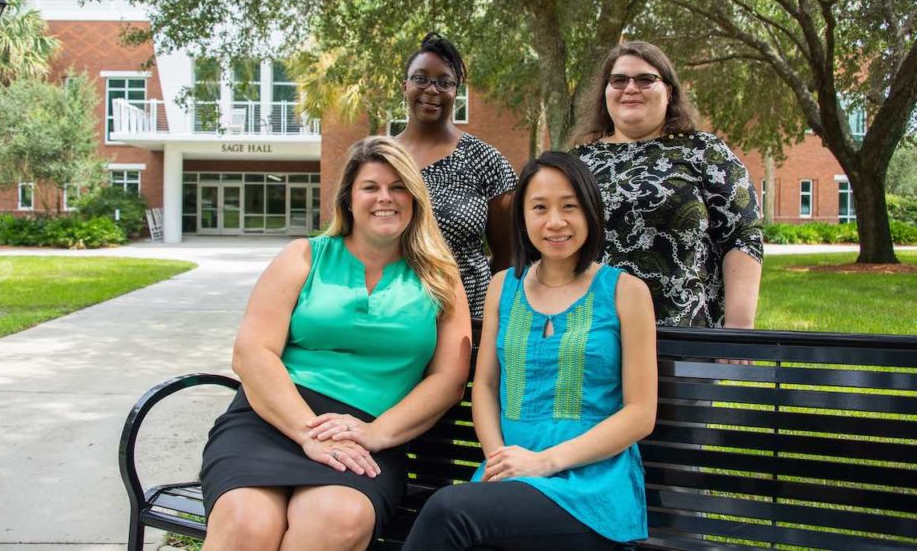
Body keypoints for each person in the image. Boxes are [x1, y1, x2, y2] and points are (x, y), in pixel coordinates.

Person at [199, 136, 471, 551]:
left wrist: (378, 433)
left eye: (399, 187)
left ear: (415, 199)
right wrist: (309, 433)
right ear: (348, 198)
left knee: (336, 520)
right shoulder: (304, 257)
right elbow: (252, 353)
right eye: (371, 187)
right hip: (272, 420)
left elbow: (449, 378)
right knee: (244, 525)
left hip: (368, 434)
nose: (386, 198)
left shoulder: (440, 277)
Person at [402, 151, 658, 550]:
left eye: (569, 207)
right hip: (509, 479)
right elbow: (485, 386)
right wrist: (499, 459)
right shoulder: (503, 287)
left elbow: (640, 414)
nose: (555, 222)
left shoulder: (626, 292)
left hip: (589, 490)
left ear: (590, 211)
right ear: (522, 217)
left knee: (447, 512)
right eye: (539, 208)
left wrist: (545, 462)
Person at [571, 40, 764, 328]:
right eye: (619, 80)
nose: (630, 88)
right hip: (592, 335)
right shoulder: (578, 161)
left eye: (646, 79)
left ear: (669, 91)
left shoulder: (703, 151)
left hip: (684, 336)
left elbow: (743, 233)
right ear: (605, 92)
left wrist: (738, 325)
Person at [396, 31, 518, 320]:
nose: (432, 89)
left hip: (466, 315)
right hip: (393, 314)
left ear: (456, 92)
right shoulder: (381, 158)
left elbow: (507, 258)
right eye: (421, 78)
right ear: (405, 86)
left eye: (444, 82)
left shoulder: (486, 160)